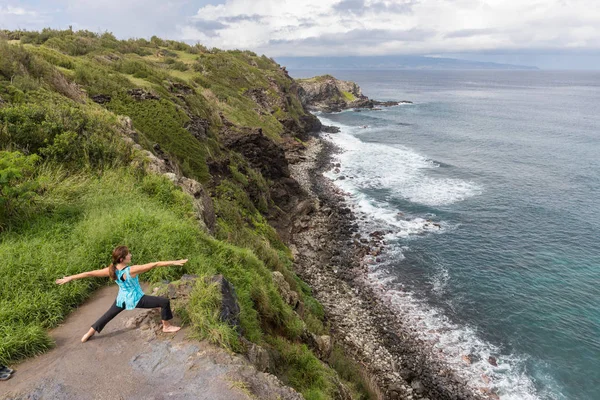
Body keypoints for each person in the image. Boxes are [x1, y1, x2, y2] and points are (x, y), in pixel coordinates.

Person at [56, 245, 187, 343]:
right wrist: (173, 262)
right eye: (128, 254)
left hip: (121, 299)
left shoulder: (111, 270)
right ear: (122, 258)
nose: (130, 255)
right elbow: (154, 264)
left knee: (107, 315)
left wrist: (70, 278)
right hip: (136, 299)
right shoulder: (132, 270)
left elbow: (89, 273)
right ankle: (166, 326)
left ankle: (87, 334)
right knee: (164, 302)